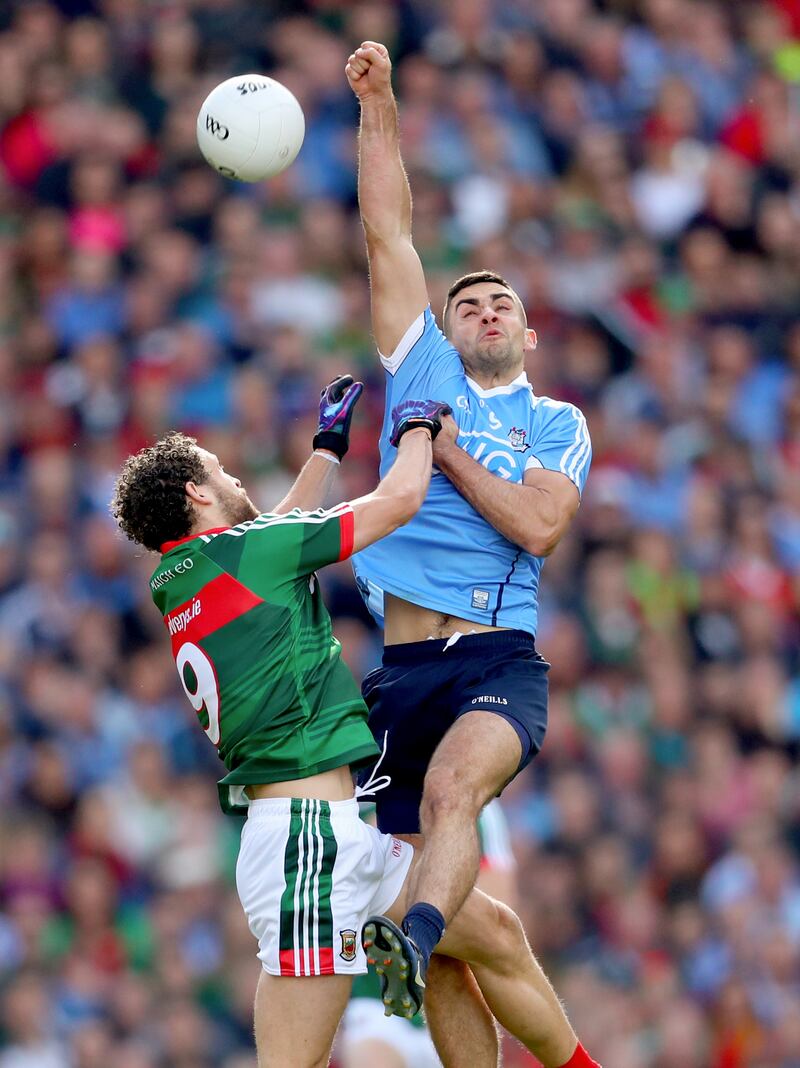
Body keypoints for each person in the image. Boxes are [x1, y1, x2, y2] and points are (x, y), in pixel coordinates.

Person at [110, 380, 596, 1068]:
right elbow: (398, 502)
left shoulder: (182, 576)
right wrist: (420, 431)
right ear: (196, 494)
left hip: (335, 834)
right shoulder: (251, 555)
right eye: (220, 469)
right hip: (304, 846)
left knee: (494, 933)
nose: (234, 473)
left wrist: (326, 448)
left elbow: (266, 537)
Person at [345, 39, 594, 1057]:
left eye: (504, 305)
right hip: (398, 669)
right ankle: (427, 948)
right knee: (463, 950)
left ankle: (407, 933)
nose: (485, 308)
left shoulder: (552, 420)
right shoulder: (418, 364)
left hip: (495, 658)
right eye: (468, 301)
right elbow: (385, 227)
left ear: (527, 336)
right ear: (442, 326)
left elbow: (538, 526)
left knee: (452, 802)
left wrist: (445, 457)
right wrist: (378, 104)